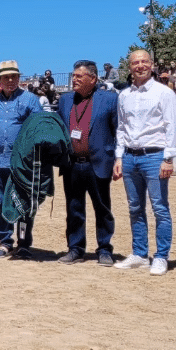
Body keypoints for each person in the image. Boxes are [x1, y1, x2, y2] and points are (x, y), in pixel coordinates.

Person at [112, 49, 176, 276]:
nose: (140, 66)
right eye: (135, 63)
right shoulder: (124, 96)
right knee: (135, 208)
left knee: (160, 208)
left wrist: (168, 158)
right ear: (130, 67)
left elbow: (172, 125)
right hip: (130, 156)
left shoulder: (164, 93)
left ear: (151, 65)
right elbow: (121, 128)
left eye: (144, 62)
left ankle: (161, 256)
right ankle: (140, 254)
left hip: (155, 156)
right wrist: (119, 156)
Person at [55, 60, 118, 266]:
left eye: (79, 76)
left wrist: (118, 158)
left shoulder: (109, 100)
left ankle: (105, 249)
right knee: (74, 208)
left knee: (102, 208)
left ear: (93, 78)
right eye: (73, 76)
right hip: (72, 164)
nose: (74, 79)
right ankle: (75, 248)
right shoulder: (65, 100)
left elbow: (119, 131)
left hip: (98, 162)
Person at [0, 60, 42, 258]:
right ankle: (5, 241)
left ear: (19, 78)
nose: (10, 80)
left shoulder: (31, 100)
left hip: (22, 163)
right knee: (1, 203)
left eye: (14, 76)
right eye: (6, 77)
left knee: (23, 204)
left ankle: (23, 243)